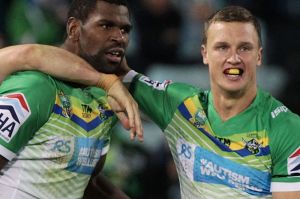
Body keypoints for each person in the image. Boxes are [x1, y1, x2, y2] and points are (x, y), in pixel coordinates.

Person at [2, 5, 300, 199]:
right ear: (204, 54)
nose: (233, 58)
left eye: (245, 48)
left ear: (260, 56)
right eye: (222, 47)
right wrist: (106, 82)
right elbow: (23, 56)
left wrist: (106, 82)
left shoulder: (286, 128)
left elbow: (87, 184)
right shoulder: (178, 104)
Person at [0, 0, 143, 198]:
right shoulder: (35, 87)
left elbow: (85, 181)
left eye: (125, 30)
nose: (119, 37)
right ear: (74, 29)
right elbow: (28, 54)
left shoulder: (105, 100)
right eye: (106, 26)